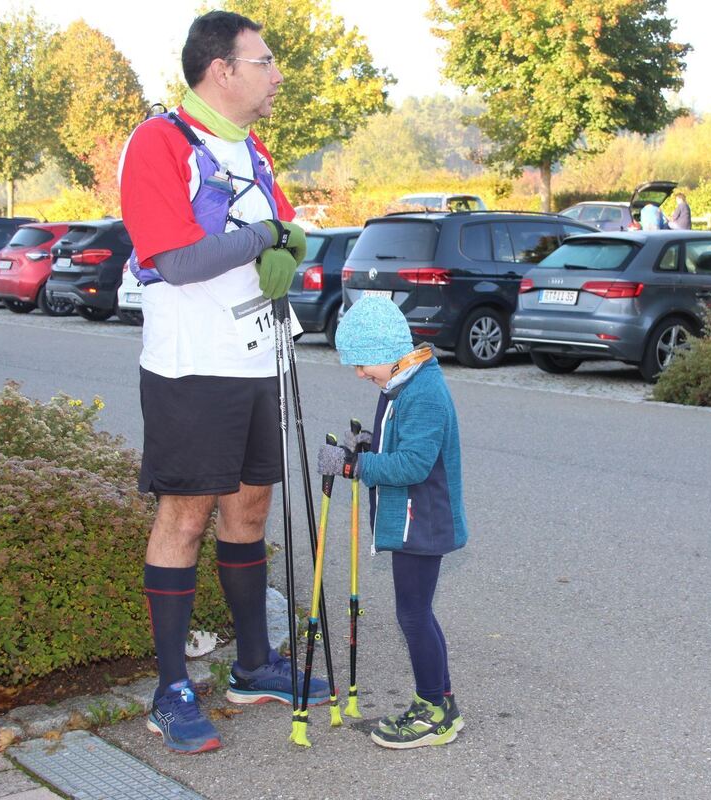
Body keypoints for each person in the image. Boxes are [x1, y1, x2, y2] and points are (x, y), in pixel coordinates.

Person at [118, 10, 326, 755]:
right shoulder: (159, 143)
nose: (275, 75)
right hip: (192, 365)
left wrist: (286, 242)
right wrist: (266, 239)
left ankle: (252, 665)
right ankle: (170, 688)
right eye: (263, 61)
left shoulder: (252, 148)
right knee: (186, 515)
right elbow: (175, 259)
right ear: (222, 69)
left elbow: (288, 227)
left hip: (258, 357)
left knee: (250, 508)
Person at [316, 296, 468, 749]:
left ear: (386, 350)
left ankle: (433, 713)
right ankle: (441, 704)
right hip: (413, 519)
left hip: (423, 521)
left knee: (414, 614)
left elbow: (413, 465)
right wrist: (365, 444)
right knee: (418, 612)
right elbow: (393, 441)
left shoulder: (423, 392)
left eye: (362, 363)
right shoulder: (403, 381)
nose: (360, 373)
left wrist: (352, 466)